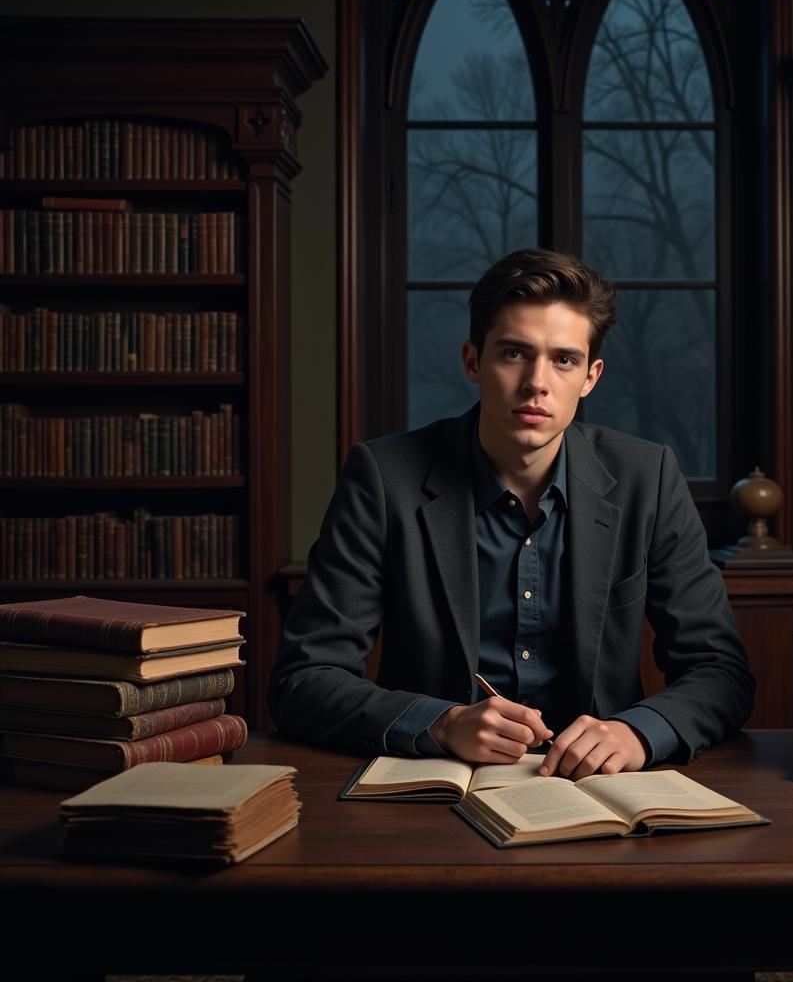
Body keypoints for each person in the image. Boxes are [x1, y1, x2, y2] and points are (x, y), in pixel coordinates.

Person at [269, 248, 754, 779]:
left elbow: (720, 671)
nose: (536, 383)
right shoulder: (384, 479)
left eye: (563, 360)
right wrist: (440, 723)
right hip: (437, 783)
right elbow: (304, 679)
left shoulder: (649, 478)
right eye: (514, 354)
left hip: (601, 788)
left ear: (591, 377)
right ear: (473, 361)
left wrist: (637, 732)